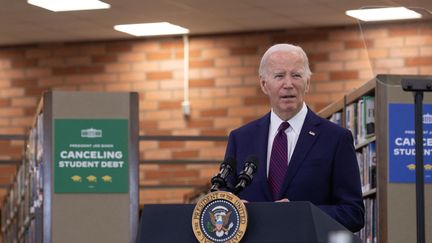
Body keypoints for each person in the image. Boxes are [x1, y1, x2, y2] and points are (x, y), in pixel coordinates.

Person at [224, 43, 364, 232]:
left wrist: (301, 213)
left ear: (307, 82)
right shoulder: (240, 139)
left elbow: (353, 213)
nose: (288, 84)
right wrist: (234, 208)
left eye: (296, 75)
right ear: (264, 84)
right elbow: (223, 203)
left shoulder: (336, 139)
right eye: (279, 76)